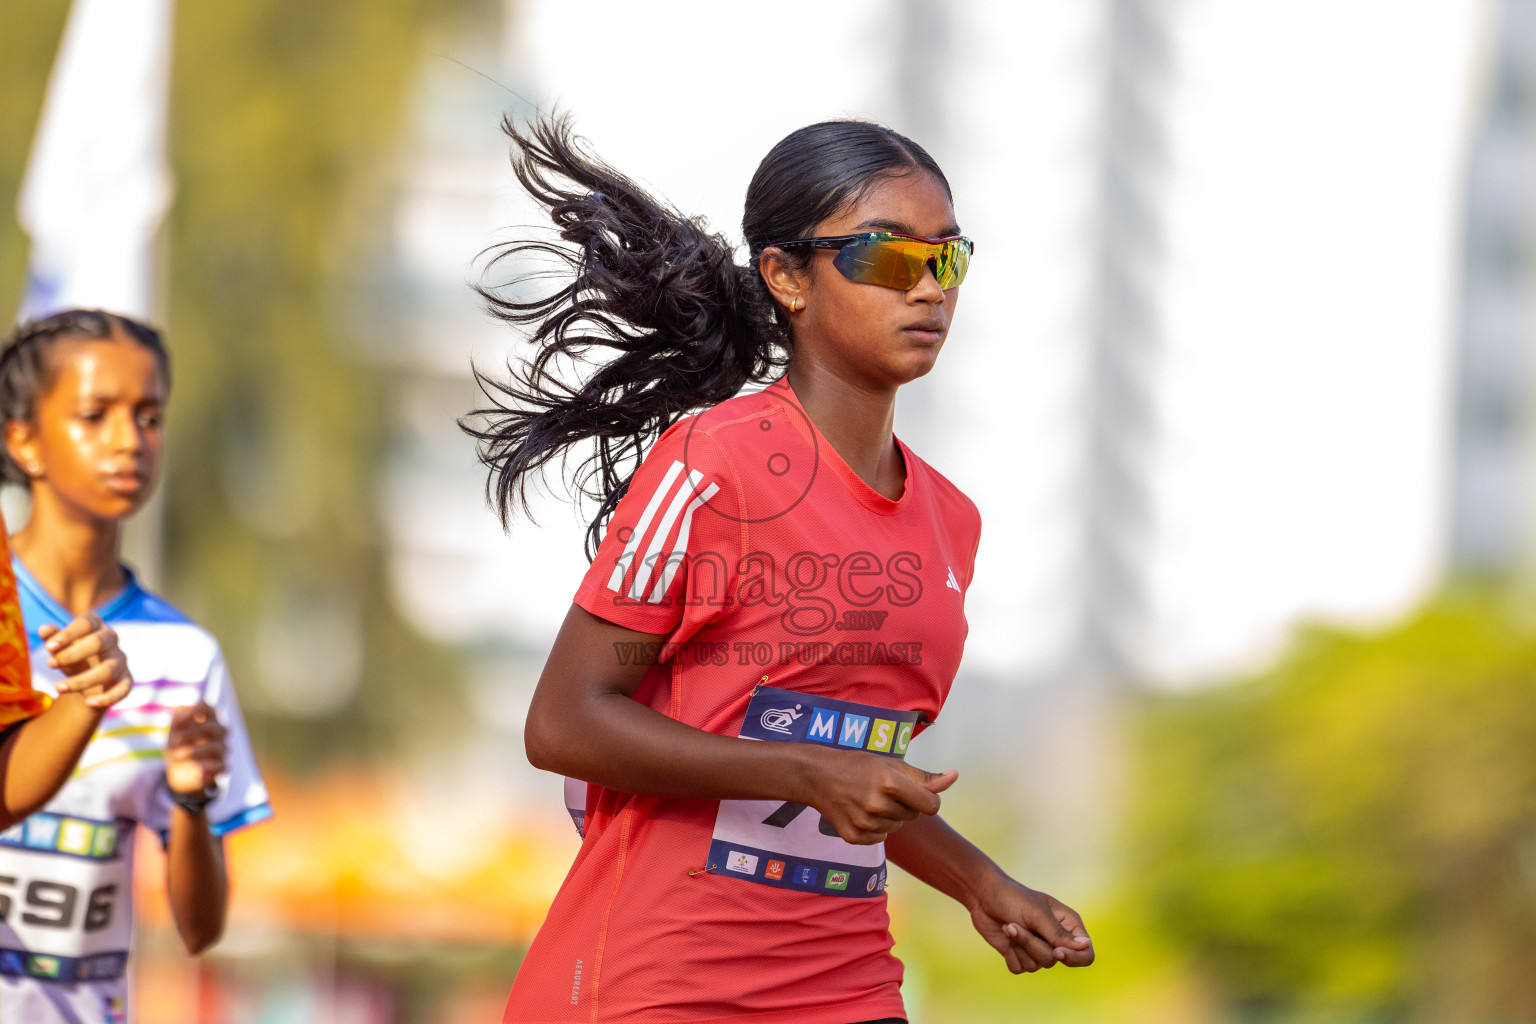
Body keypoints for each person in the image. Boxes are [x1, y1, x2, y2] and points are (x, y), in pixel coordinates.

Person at [463, 115, 1095, 1023]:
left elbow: (856, 767)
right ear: (787, 276)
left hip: (848, 982)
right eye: (885, 257)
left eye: (946, 259)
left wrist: (983, 885)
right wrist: (803, 772)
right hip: (663, 984)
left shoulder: (950, 521)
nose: (927, 288)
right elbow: (563, 724)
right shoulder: (713, 464)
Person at [0, 309, 271, 1024]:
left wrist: (189, 801)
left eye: (149, 416)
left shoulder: (184, 654)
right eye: (95, 415)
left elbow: (200, 928)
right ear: (22, 439)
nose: (130, 440)